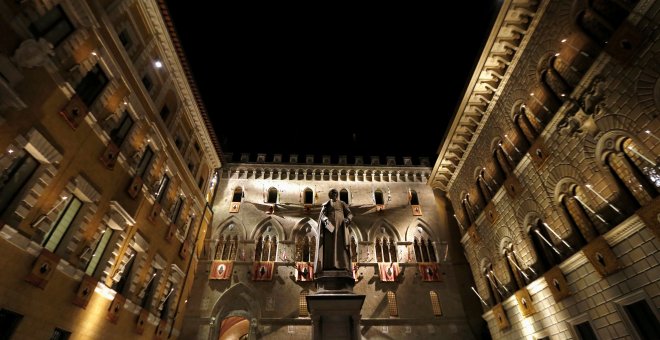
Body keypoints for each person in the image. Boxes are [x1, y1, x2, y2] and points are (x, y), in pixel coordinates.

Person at [315, 189, 353, 273]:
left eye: (335, 194)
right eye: (332, 194)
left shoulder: (342, 203)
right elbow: (322, 215)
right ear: (330, 195)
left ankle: (342, 265)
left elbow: (350, 214)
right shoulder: (326, 204)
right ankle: (329, 265)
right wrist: (325, 220)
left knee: (341, 246)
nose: (334, 195)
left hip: (341, 227)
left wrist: (348, 219)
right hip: (329, 228)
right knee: (329, 246)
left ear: (337, 195)